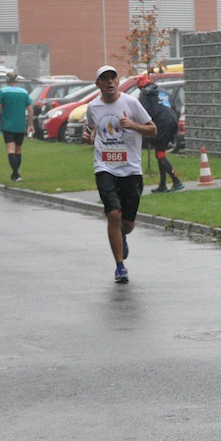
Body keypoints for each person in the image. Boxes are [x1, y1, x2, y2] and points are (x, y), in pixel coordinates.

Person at [82, 65, 157, 284]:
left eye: (112, 78)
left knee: (128, 224)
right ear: (98, 84)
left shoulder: (131, 103)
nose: (109, 82)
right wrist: (88, 136)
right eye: (104, 79)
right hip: (105, 167)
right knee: (113, 215)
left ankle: (122, 235)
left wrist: (132, 125)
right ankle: (120, 266)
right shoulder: (93, 106)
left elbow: (153, 129)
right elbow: (90, 128)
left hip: (130, 169)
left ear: (117, 81)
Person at [135, 74, 185, 194]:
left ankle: (176, 181)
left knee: (160, 154)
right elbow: (173, 107)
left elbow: (143, 112)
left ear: (140, 86)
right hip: (173, 121)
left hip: (161, 124)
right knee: (160, 152)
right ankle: (162, 184)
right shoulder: (163, 91)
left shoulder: (145, 94)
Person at [0, 72, 33, 182]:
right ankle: (16, 174)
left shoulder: (3, 92)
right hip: (20, 126)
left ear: (6, 81)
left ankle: (15, 174)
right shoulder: (24, 92)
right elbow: (30, 110)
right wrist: (30, 124)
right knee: (18, 150)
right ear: (17, 81)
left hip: (8, 126)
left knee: (11, 149)